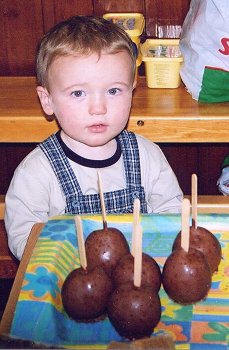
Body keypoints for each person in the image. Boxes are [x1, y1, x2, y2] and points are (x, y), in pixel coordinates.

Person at [4, 16, 183, 261]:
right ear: (48, 100)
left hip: (139, 276)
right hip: (73, 281)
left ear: (132, 89)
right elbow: (24, 236)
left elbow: (171, 214)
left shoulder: (147, 155)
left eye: (113, 91)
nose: (98, 108)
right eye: (78, 93)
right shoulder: (37, 171)